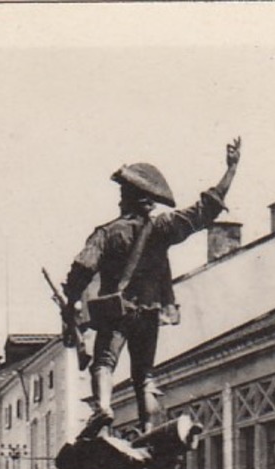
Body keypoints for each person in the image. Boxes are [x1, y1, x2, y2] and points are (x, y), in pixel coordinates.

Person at [61, 138, 242, 433]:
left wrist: (71, 299)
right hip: (149, 313)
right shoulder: (162, 228)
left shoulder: (106, 233)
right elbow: (204, 211)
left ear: (126, 197)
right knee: (144, 375)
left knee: (103, 363)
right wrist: (231, 170)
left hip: (115, 312)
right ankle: (148, 429)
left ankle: (103, 408)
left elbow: (82, 268)